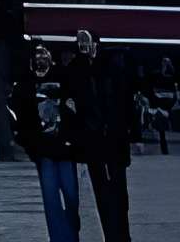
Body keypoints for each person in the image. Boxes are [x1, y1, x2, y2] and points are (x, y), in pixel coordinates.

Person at [63, 31, 131, 242]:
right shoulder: (77, 69)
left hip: (113, 136)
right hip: (93, 138)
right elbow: (71, 99)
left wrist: (131, 133)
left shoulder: (112, 67)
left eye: (87, 42)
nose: (85, 46)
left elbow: (125, 102)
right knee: (102, 190)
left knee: (119, 191)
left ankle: (121, 235)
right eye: (81, 43)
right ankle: (112, 235)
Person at [15, 41, 82, 242]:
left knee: (72, 196)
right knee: (51, 199)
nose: (40, 58)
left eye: (44, 53)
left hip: (65, 148)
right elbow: (22, 119)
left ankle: (72, 232)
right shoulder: (26, 83)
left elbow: (74, 106)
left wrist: (73, 137)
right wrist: (32, 147)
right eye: (37, 54)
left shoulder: (63, 77)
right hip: (44, 151)